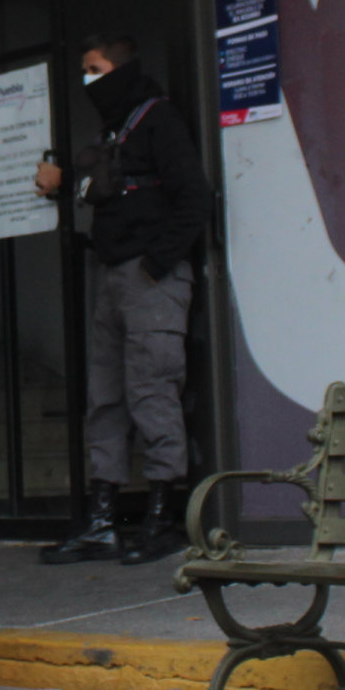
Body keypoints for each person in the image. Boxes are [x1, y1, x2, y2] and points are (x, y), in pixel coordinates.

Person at [36, 35, 210, 564]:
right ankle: (103, 520)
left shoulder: (158, 120)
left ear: (120, 68)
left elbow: (194, 198)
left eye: (94, 69)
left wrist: (158, 264)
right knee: (106, 398)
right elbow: (111, 188)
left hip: (149, 278)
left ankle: (163, 516)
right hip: (112, 276)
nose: (87, 79)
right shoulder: (113, 127)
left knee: (153, 391)